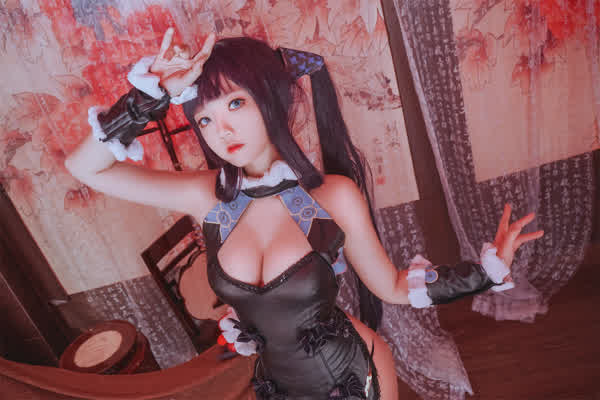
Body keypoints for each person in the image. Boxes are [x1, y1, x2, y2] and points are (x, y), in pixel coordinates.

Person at [64, 28, 544, 400]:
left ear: (273, 100)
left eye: (236, 103)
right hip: (277, 386)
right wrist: (149, 98)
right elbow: (85, 168)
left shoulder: (332, 197)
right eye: (205, 118)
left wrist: (486, 272)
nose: (221, 129)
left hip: (357, 379)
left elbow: (395, 287)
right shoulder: (207, 198)